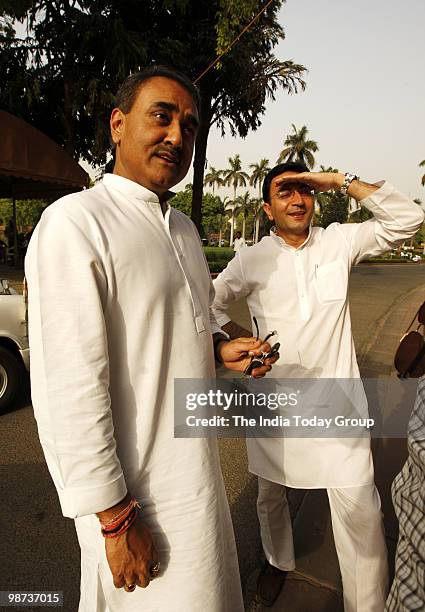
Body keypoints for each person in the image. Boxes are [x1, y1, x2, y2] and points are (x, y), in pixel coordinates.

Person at [25, 66, 277, 612]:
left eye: (190, 126)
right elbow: (68, 385)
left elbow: (183, 319)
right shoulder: (76, 224)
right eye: (161, 116)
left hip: (197, 483)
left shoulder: (182, 228)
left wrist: (217, 348)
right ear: (118, 124)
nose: (177, 136)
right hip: (134, 498)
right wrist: (114, 518)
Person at [212, 161, 425, 610]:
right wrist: (231, 341)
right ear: (268, 209)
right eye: (284, 192)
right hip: (273, 403)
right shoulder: (251, 259)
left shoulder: (338, 241)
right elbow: (207, 304)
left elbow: (408, 219)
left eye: (304, 189)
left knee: (362, 514)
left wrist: (340, 181)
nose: (296, 198)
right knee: (271, 494)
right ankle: (278, 561)